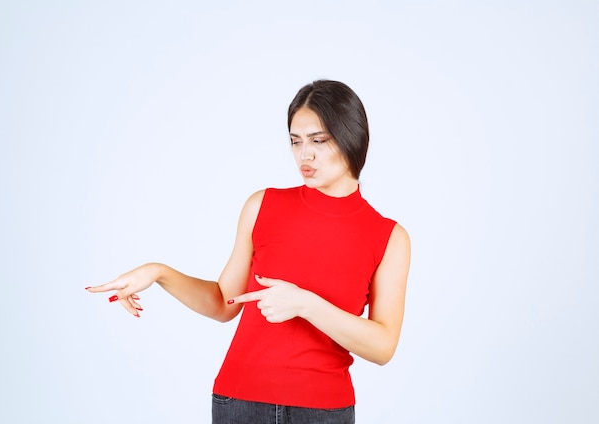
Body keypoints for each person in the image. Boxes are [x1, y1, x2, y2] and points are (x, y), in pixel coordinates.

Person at [86, 80, 411, 424]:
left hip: (324, 411)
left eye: (319, 140)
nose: (305, 155)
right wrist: (158, 272)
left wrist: (305, 303)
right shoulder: (263, 206)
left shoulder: (389, 237)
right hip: (238, 402)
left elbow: (383, 346)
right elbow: (224, 303)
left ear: (351, 137)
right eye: (295, 141)